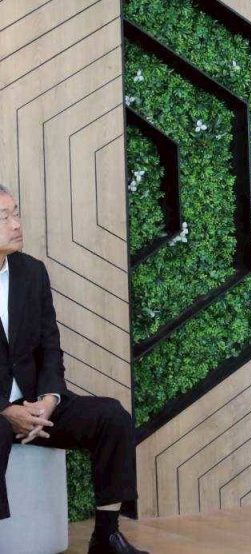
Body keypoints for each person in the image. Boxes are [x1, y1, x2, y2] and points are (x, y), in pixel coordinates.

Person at [0, 185, 147, 554]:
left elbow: (50, 347)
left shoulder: (32, 272)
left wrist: (49, 400)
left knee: (111, 417)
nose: (16, 224)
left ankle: (106, 536)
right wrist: (5, 411)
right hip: (1, 412)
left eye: (16, 213)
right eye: (4, 218)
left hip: (36, 404)